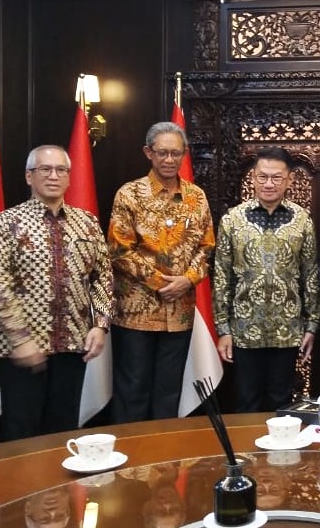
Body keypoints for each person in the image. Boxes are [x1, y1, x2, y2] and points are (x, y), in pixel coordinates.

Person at [0, 145, 113, 441]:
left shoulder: (88, 222)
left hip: (73, 343)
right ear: (30, 176)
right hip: (24, 349)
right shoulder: (7, 222)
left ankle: (59, 490)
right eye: (45, 169)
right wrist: (21, 339)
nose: (54, 176)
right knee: (22, 434)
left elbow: (103, 276)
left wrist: (100, 326)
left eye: (61, 170)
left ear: (69, 177)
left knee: (63, 432)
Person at [108, 121, 215, 422]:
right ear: (148, 153)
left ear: (184, 155)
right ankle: (132, 464)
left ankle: (164, 462)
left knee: (169, 392)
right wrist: (161, 283)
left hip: (179, 312)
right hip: (136, 313)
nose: (169, 160)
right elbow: (119, 250)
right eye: (163, 153)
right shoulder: (129, 194)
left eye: (176, 153)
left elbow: (206, 247)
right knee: (133, 390)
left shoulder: (197, 197)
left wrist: (187, 280)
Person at [213, 146, 320, 412]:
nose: (269, 183)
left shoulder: (302, 220)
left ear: (289, 180)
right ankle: (246, 454)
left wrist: (311, 325)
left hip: (287, 330)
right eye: (263, 177)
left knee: (281, 402)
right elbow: (221, 276)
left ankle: (281, 454)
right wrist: (223, 329)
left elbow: (310, 274)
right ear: (252, 177)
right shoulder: (232, 220)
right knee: (245, 401)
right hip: (243, 330)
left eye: (276, 177)